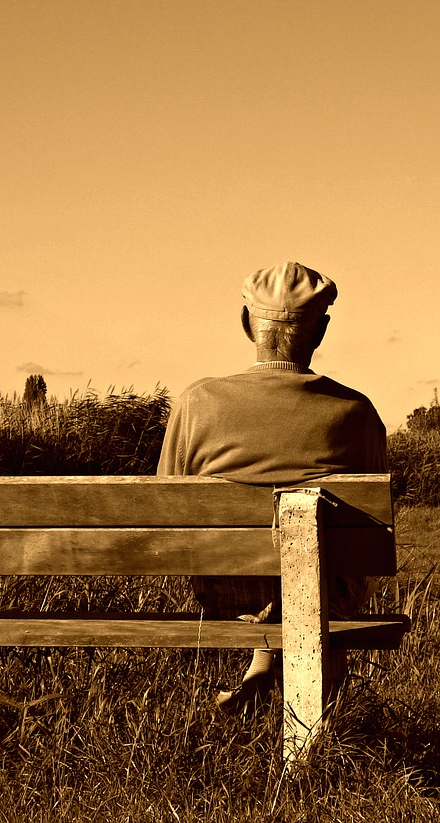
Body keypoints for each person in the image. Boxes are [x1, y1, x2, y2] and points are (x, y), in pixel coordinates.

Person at [157, 261, 388, 712]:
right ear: (320, 331)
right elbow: (374, 526)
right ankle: (320, 732)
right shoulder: (356, 412)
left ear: (247, 324)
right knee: (323, 571)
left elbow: (165, 508)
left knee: (267, 574)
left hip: (225, 592)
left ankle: (261, 669)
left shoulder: (197, 403)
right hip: (327, 592)